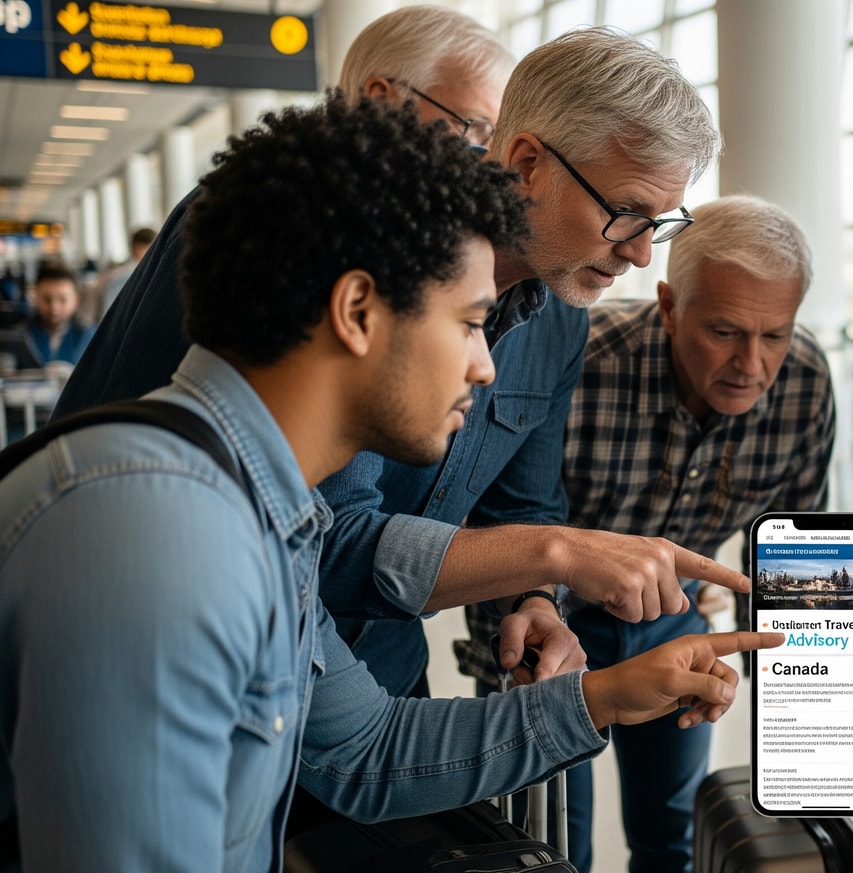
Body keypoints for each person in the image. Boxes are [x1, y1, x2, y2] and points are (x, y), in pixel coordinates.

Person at [0, 93, 781, 873]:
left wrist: (607, 694)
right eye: (472, 321)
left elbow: (364, 749)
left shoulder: (265, 513)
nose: (485, 364)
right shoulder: (153, 533)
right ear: (358, 310)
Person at [52, 17, 735, 712]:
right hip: (188, 645)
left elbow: (523, 501)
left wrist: (535, 599)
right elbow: (316, 538)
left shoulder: (562, 302)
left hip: (376, 670)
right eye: (625, 214)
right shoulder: (346, 230)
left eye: (662, 221)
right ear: (527, 163)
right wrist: (556, 553)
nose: (642, 253)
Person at [455, 194, 836, 872]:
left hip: (674, 622)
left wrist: (811, 711)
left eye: (774, 334)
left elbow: (794, 557)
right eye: (724, 331)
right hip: (554, 618)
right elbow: (503, 518)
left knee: (674, 835)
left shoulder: (805, 383)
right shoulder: (581, 364)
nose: (752, 363)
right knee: (546, 841)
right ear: (667, 304)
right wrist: (520, 626)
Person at [22, 263, 94, 366]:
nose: (54, 308)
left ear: (76, 300)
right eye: (47, 299)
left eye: (63, 300)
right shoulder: (21, 335)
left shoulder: (90, 336)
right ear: (35, 297)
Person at [91, 226, 156, 320]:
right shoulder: (124, 275)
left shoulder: (119, 270)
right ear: (138, 248)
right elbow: (109, 314)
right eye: (149, 248)